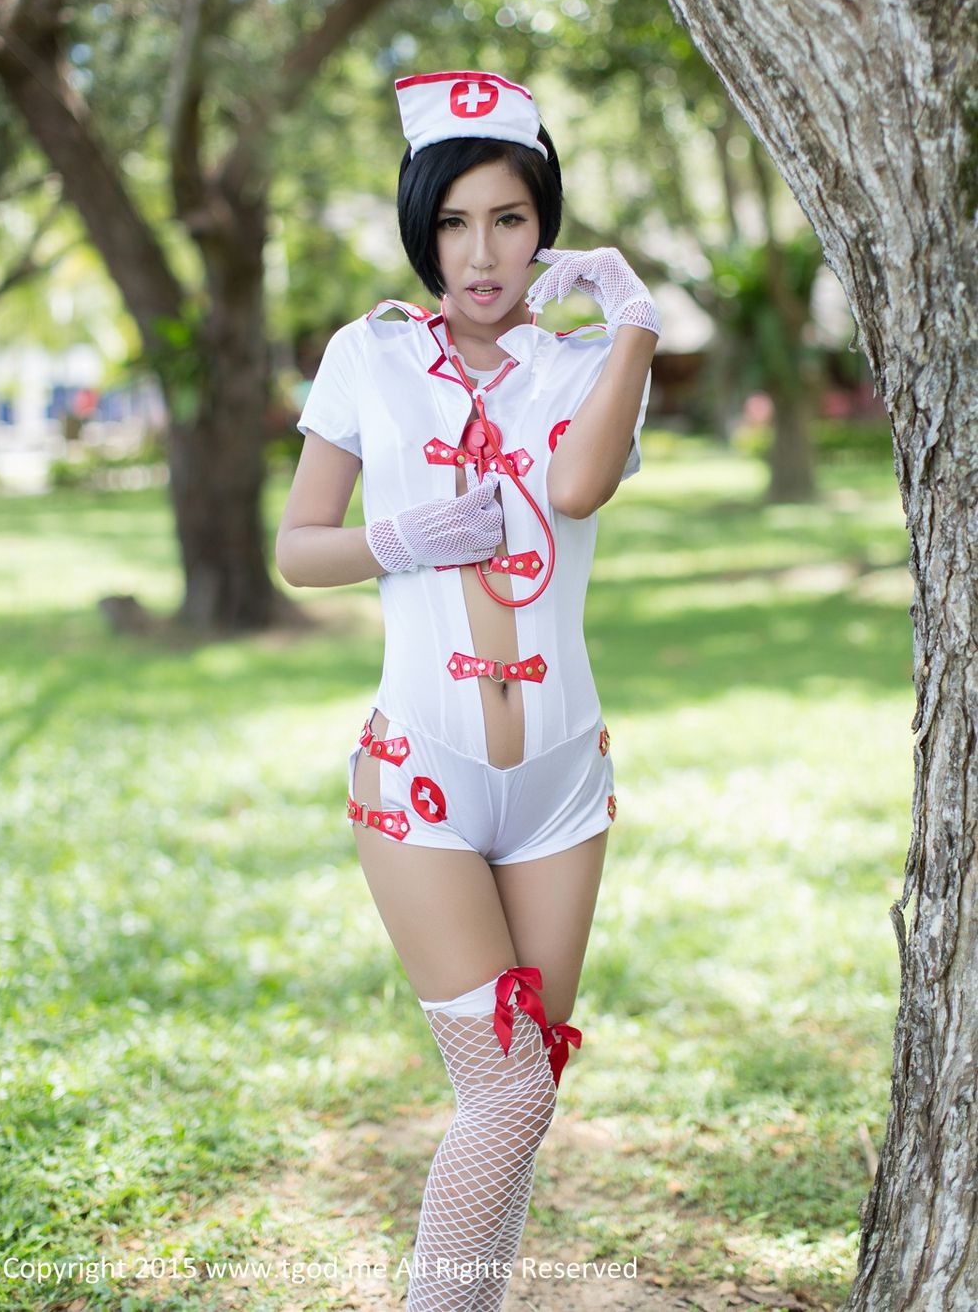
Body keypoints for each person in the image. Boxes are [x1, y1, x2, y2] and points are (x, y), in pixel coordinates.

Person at [275, 70, 660, 1310]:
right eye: (452, 222)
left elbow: (582, 489)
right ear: (420, 229)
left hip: (562, 783)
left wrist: (633, 316)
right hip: (420, 773)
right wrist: (404, 538)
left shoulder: (584, 366)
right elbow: (297, 549)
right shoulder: (368, 355)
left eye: (508, 219)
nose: (480, 253)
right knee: (504, 1090)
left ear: (545, 227)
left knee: (522, 1095)